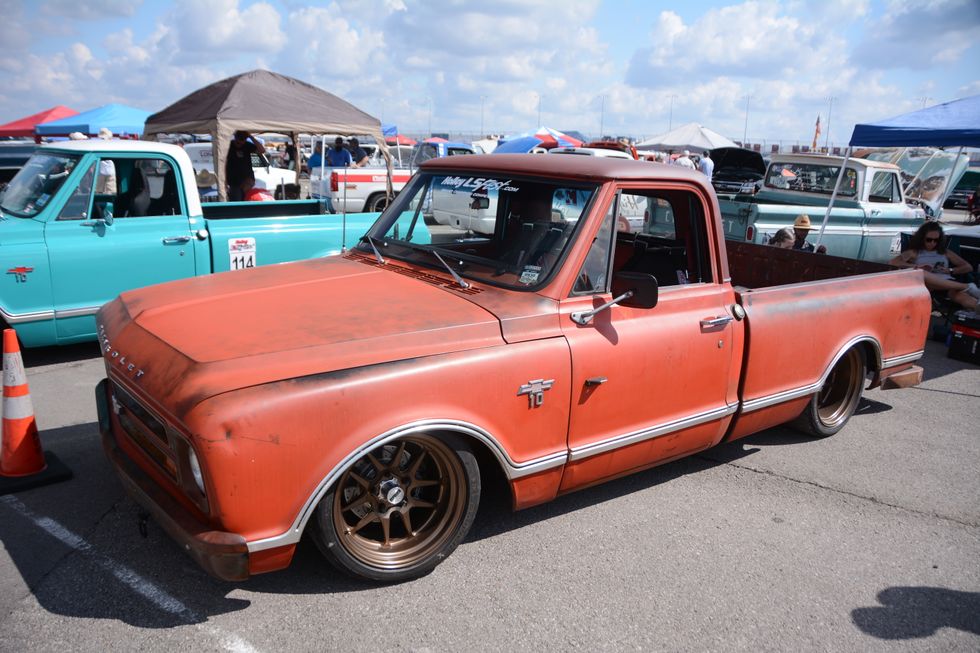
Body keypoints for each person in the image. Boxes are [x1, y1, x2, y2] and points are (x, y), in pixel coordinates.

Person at [889, 222, 979, 311]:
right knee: (922, 273)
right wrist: (917, 266)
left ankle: (975, 307)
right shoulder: (914, 252)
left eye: (936, 240)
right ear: (922, 238)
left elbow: (967, 267)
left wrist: (950, 270)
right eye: (929, 239)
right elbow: (893, 262)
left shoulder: (945, 252)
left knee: (962, 297)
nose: (932, 243)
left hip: (948, 284)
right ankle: (967, 287)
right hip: (927, 286)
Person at [226, 130, 265, 201]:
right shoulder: (229, 146)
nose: (241, 142)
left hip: (247, 178)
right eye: (239, 139)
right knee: (236, 200)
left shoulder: (247, 145)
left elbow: (262, 150)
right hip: (233, 180)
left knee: (246, 198)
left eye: (243, 139)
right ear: (235, 137)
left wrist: (251, 137)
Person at [96, 128, 116, 195]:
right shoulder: (112, 145)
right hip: (104, 170)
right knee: (101, 191)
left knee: (109, 191)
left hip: (106, 170)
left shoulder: (99, 145)